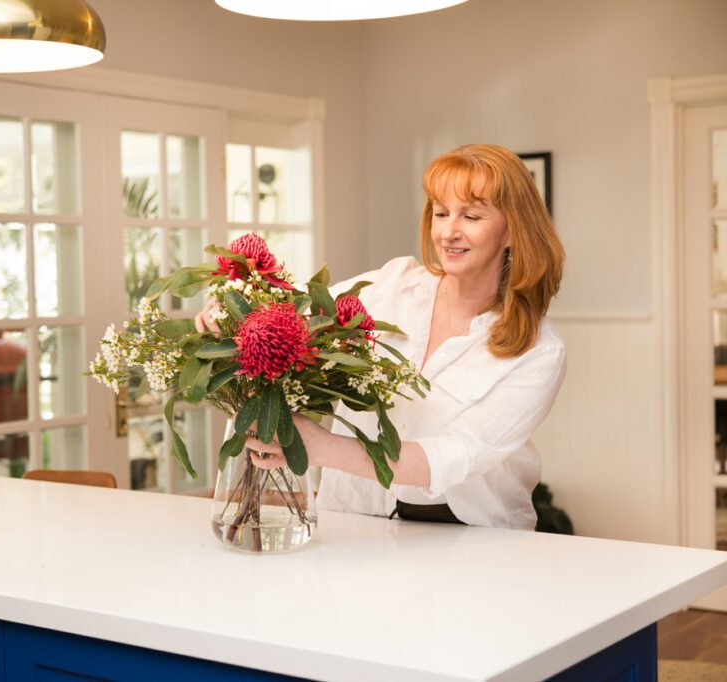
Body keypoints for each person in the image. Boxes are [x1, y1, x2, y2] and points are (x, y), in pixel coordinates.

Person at [196, 144, 566, 530]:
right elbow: (291, 317)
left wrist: (322, 447)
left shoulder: (540, 352)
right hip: (357, 525)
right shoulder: (390, 287)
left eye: (471, 216)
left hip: (474, 540)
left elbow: (453, 456)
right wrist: (231, 314)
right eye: (441, 213)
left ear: (512, 231)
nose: (449, 232)